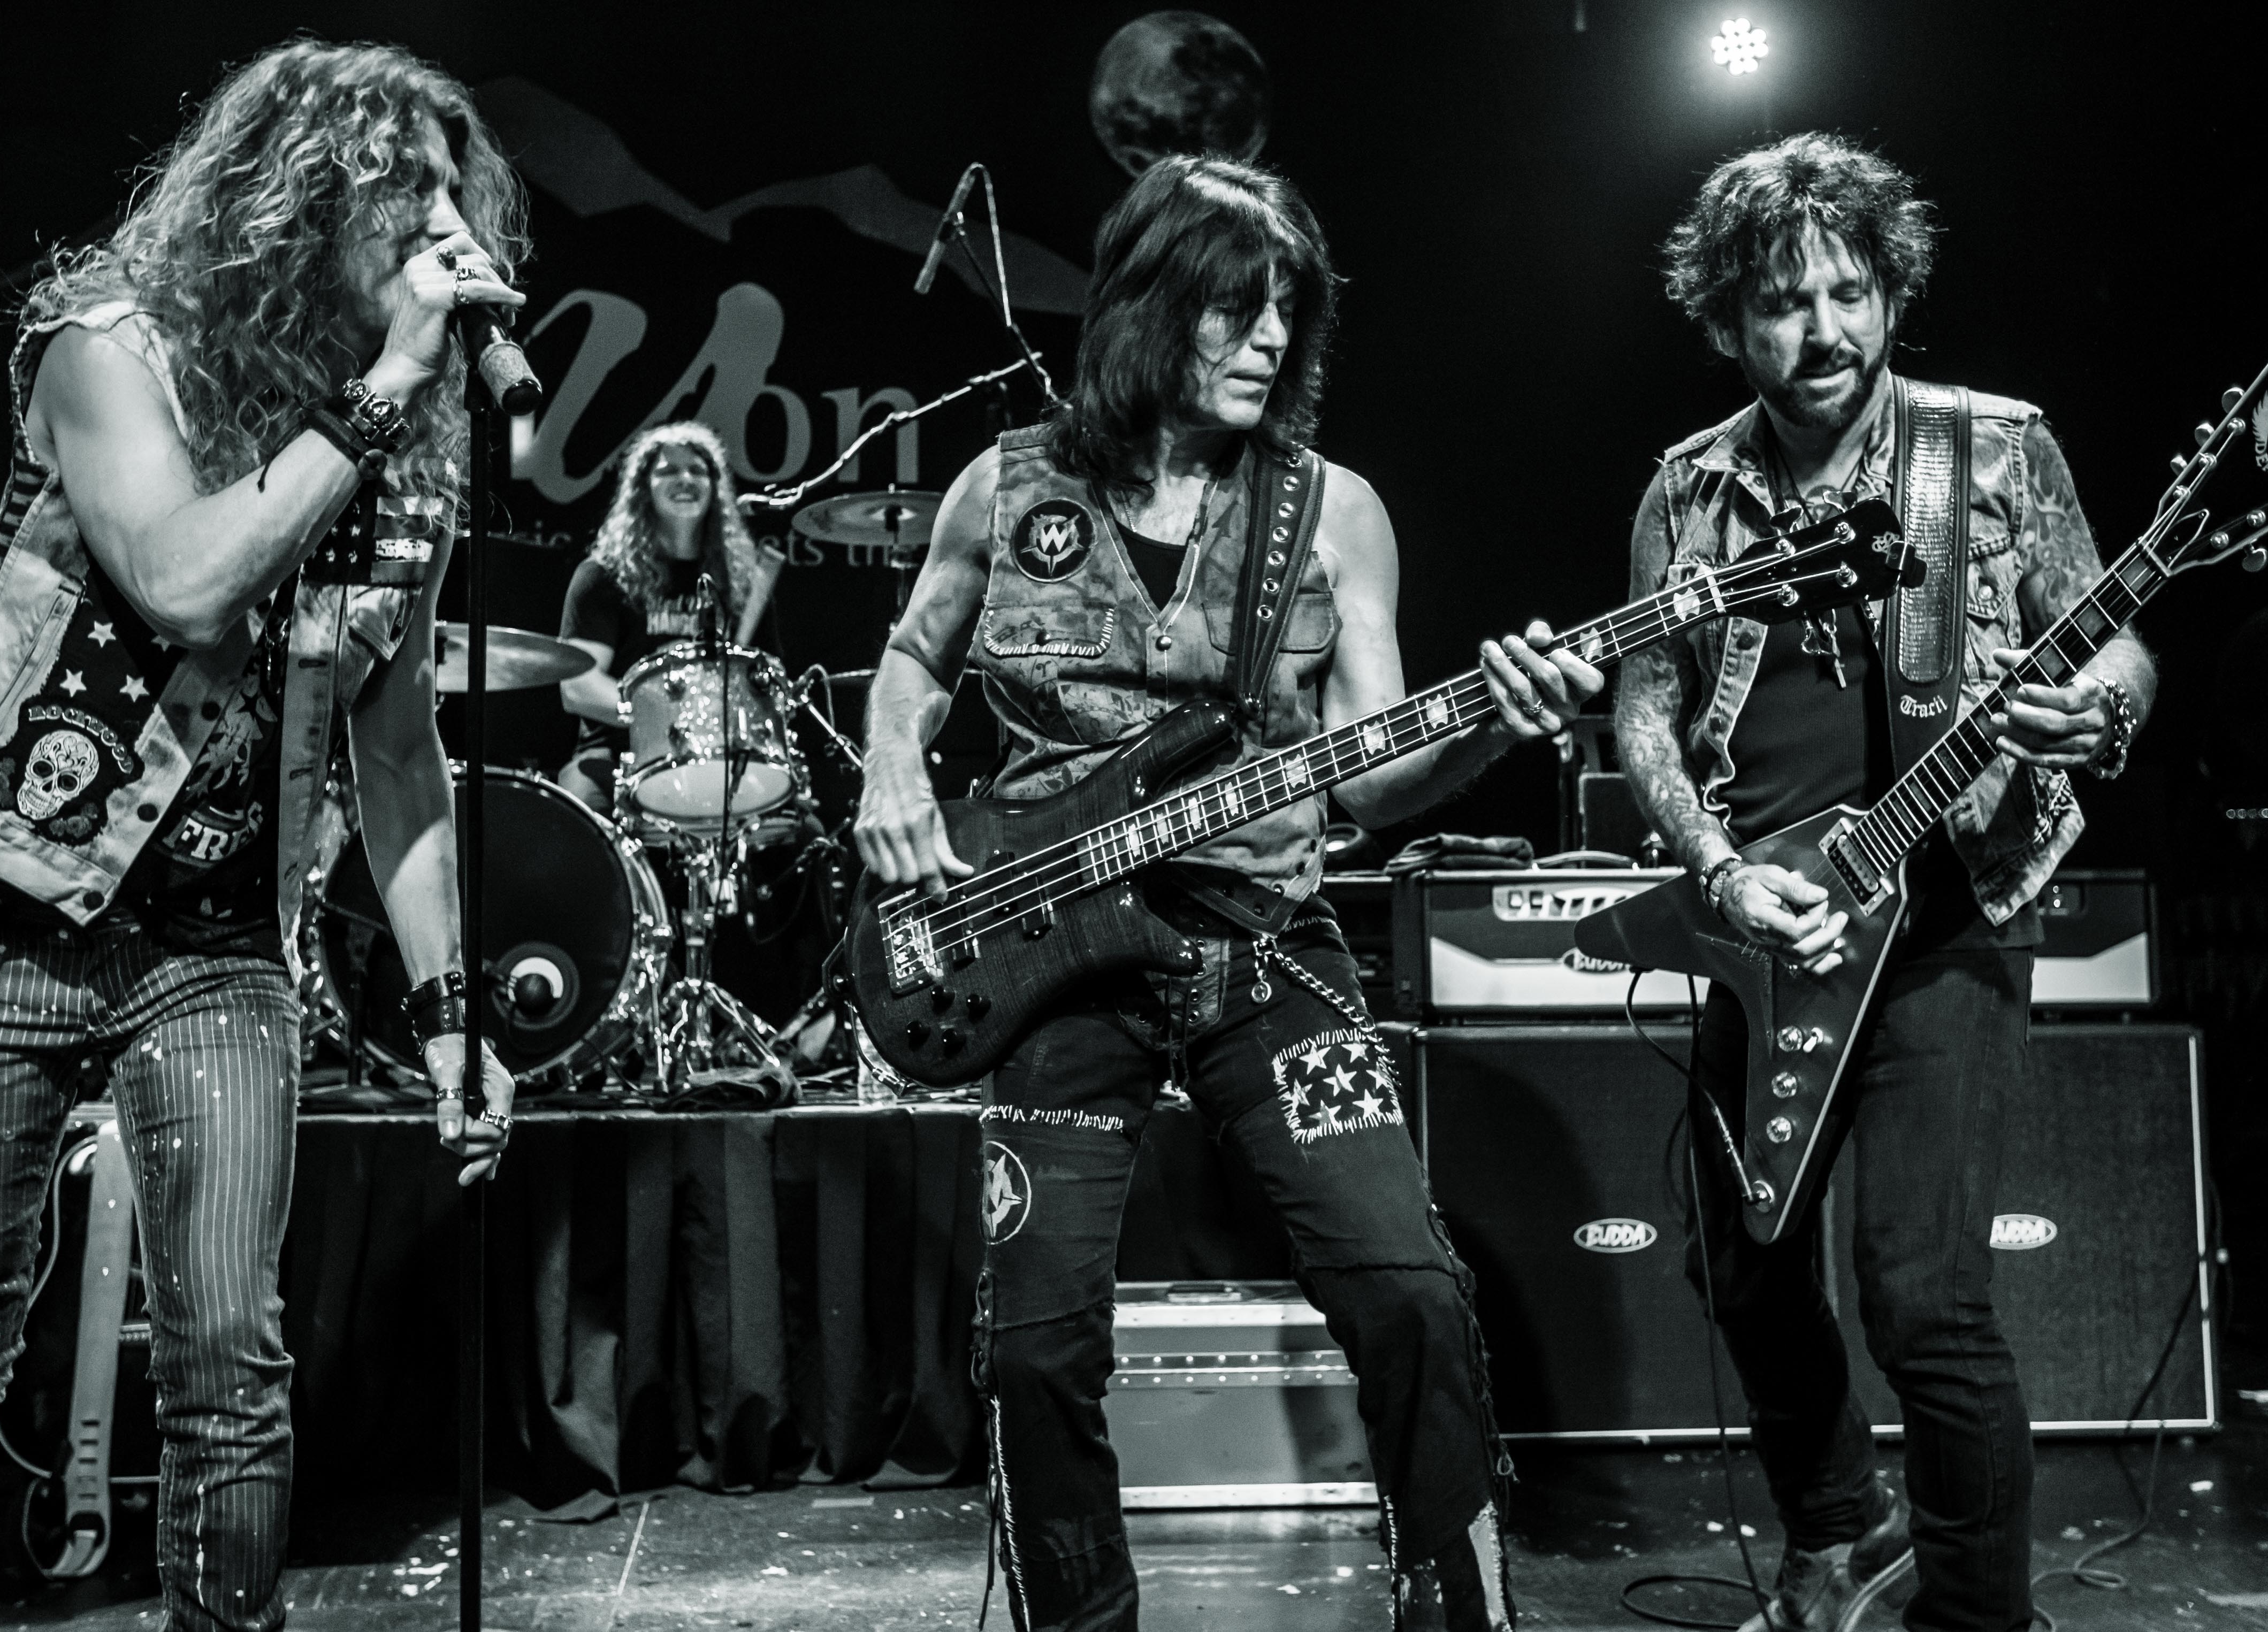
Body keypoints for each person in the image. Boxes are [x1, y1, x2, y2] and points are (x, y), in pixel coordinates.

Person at [854, 155, 1598, 1631]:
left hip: (1265, 952)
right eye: (1234, 308)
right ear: (1148, 305)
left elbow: (1371, 776)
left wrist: (1489, 732)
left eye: (1285, 312)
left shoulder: (1332, 513)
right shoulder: (1006, 488)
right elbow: (915, 657)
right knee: (1034, 1347)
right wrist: (890, 772)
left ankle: (1456, 1610)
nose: (1269, 337)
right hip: (1055, 962)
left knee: (1411, 1291)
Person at [0, 39, 523, 1632]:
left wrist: (448, 1014)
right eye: (403, 191)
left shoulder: (403, 463)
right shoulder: (111, 349)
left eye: (453, 193)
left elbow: (396, 755)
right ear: (297, 204)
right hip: (0, 916)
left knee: (230, 1356)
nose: (442, 225)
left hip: (215, 946)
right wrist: (379, 395)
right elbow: (180, 579)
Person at [1614, 133, 2159, 1632]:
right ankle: (1839, 1526)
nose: (1824, 331)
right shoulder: (1687, 489)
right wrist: (1718, 871)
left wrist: (2099, 712)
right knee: (1744, 1269)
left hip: (1946, 916)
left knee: (1923, 1296)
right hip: (1770, 926)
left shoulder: (1994, 447)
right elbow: (1644, 709)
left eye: (1849, 292)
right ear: (1727, 319)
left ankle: (1977, 1613)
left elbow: (2113, 632)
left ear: (1892, 291)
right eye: (1782, 302)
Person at [555, 420, 787, 817]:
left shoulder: (743, 581)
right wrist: (666, 715)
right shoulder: (603, 576)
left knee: (803, 830)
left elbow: (769, 680)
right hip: (617, 754)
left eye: (698, 470)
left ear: (715, 488)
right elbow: (578, 688)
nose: (685, 479)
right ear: (642, 488)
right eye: (668, 471)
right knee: (582, 817)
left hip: (721, 753)